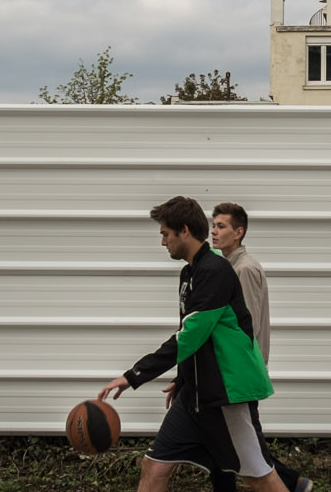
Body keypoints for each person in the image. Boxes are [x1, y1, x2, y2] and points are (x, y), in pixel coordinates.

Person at [97, 196, 293, 492]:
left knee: (258, 475)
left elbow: (189, 336)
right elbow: (194, 337)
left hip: (226, 395)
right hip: (195, 397)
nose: (163, 242)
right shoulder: (190, 273)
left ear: (184, 230)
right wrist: (184, 378)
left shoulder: (215, 271)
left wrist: (133, 376)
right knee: (154, 465)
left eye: (165, 233)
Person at [208, 202, 310, 492]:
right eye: (213, 225)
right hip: (232, 371)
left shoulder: (245, 269)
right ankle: (294, 482)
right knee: (229, 441)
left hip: (239, 371)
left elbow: (245, 326)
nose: (213, 232)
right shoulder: (228, 266)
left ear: (239, 232)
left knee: (246, 443)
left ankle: (293, 483)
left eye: (221, 226)